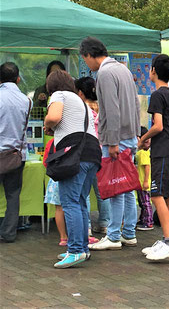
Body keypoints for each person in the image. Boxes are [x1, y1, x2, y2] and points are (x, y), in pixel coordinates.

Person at [80, 37, 141, 251]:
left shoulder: (104, 73)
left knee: (116, 186)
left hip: (116, 138)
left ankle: (114, 236)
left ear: (89, 55)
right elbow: (135, 103)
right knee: (127, 185)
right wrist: (137, 133)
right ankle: (129, 233)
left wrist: (113, 141)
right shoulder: (123, 69)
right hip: (130, 135)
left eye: (85, 59)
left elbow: (111, 109)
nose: (86, 64)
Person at [44, 70, 101, 268]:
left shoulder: (58, 95)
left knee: (69, 202)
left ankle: (75, 250)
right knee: (79, 202)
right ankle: (82, 248)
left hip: (75, 153)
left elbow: (54, 116)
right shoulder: (80, 101)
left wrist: (47, 124)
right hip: (92, 153)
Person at [138, 54, 169, 261]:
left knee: (156, 195)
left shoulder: (157, 95)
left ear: (153, 71)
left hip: (162, 151)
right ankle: (167, 240)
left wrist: (143, 139)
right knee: (168, 196)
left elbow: (158, 125)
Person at [75, 77, 110, 235]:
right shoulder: (104, 108)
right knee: (102, 192)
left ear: (81, 93)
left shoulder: (81, 109)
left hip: (86, 152)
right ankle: (104, 223)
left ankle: (86, 226)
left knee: (84, 192)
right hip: (103, 152)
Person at [0, 62, 31, 243]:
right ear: (18, 79)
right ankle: (9, 233)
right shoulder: (27, 100)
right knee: (13, 195)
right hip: (15, 156)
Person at [135, 126, 154, 231]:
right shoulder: (143, 152)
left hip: (143, 182)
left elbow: (147, 166)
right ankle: (143, 219)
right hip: (141, 182)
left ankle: (148, 222)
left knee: (146, 202)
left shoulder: (142, 153)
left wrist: (146, 181)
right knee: (143, 202)